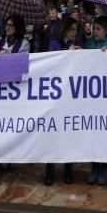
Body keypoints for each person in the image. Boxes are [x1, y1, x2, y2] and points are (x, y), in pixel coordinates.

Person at [84, 16, 107, 185]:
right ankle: (94, 166)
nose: (95, 31)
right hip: (91, 97)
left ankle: (103, 167)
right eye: (93, 28)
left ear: (106, 30)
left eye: (98, 29)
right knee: (92, 133)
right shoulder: (88, 44)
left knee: (104, 133)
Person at [44, 16, 80, 186]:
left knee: (69, 133)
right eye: (72, 29)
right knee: (52, 135)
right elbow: (54, 62)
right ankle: (49, 169)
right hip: (55, 95)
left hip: (70, 95)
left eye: (75, 29)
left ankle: (68, 169)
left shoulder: (74, 43)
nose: (74, 32)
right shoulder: (54, 43)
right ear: (65, 29)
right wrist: (67, 54)